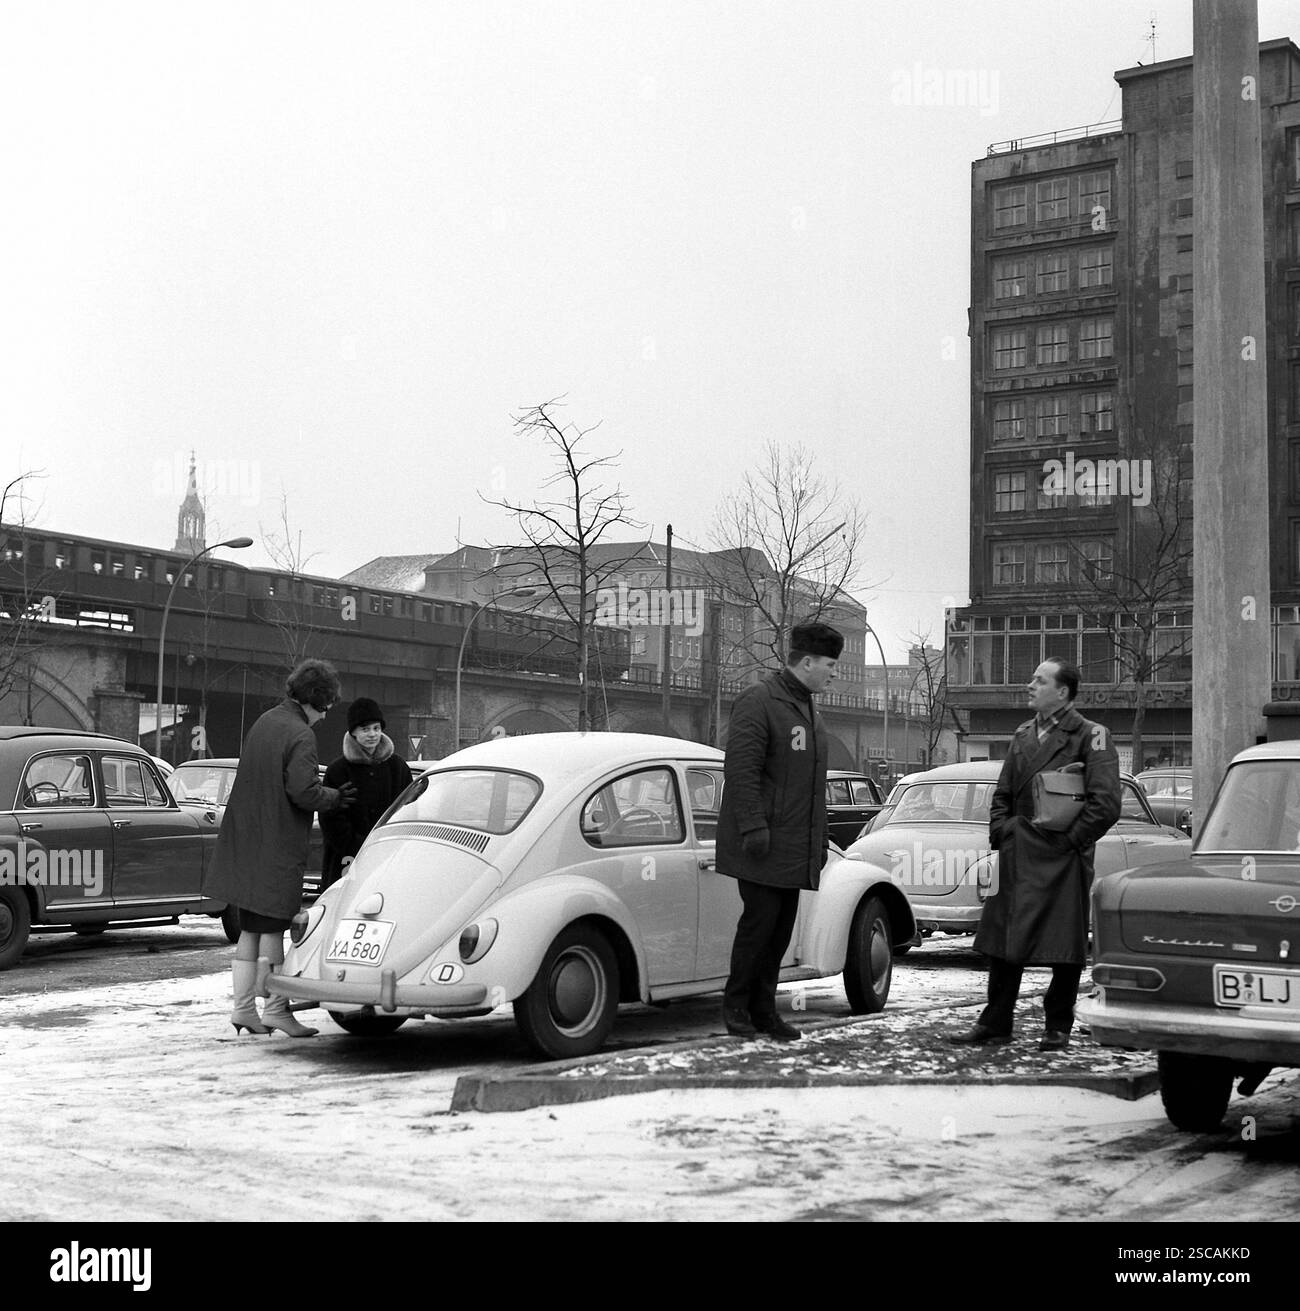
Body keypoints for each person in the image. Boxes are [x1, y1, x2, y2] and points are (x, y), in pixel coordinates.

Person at [949, 657, 1121, 1052]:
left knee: (1064, 944)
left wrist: (1068, 842)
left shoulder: (1092, 735)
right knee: (1002, 940)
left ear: (1062, 692)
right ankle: (996, 1021)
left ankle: (1057, 1024)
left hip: (1063, 857)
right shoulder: (1023, 733)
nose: (1030, 685)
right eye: (1032, 678)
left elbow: (1106, 804)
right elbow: (1004, 794)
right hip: (1019, 853)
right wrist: (1002, 832)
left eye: (1039, 680)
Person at [204, 659, 356, 1038]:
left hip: (246, 841)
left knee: (251, 931)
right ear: (319, 701)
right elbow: (303, 791)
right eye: (328, 706)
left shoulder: (266, 721)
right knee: (273, 930)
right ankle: (275, 1009)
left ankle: (243, 1010)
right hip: (276, 844)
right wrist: (335, 797)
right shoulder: (301, 735)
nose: (326, 715)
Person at [715, 621, 842, 1041]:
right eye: (829, 664)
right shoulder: (759, 701)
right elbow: (742, 771)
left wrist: (818, 838)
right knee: (759, 926)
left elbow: (811, 787)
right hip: (762, 844)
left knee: (779, 932)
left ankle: (764, 1012)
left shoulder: (807, 707)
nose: (833, 672)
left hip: (791, 846)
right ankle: (737, 1008)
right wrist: (753, 827)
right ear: (806, 662)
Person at [319, 697, 413, 891]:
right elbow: (331, 818)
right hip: (347, 859)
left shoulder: (398, 767)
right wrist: (358, 847)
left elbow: (410, 808)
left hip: (388, 855)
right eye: (365, 729)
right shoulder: (338, 771)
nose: (372, 734)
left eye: (376, 728)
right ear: (353, 732)